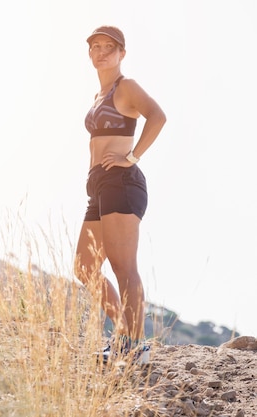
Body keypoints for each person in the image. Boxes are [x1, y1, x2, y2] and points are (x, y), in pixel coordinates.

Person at [74, 26, 166, 364]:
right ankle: (124, 334)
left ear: (121, 53)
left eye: (108, 47)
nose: (100, 52)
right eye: (95, 46)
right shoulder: (99, 95)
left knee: (123, 266)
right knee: (84, 267)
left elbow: (158, 116)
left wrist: (132, 156)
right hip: (98, 186)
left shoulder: (126, 86)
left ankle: (136, 344)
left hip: (122, 182)